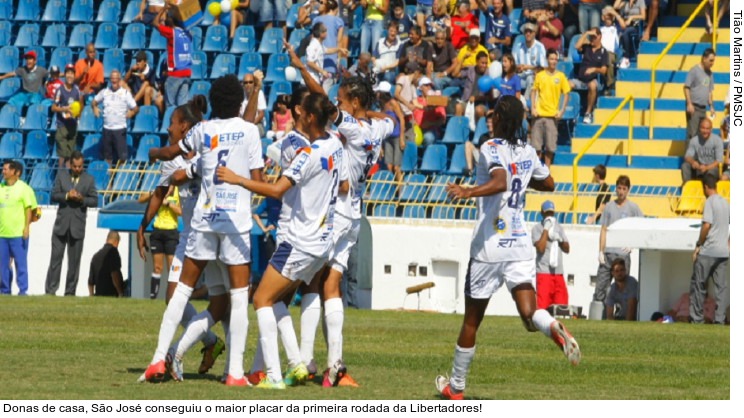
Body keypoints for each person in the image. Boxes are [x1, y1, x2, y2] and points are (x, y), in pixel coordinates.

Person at [436, 95, 580, 400]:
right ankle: (552, 325)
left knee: (472, 321)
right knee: (530, 316)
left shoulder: (489, 147)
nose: (490, 117)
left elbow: (501, 181)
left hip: (489, 247)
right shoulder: (527, 151)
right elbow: (550, 183)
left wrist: (468, 190)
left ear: (501, 118)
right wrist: (524, 177)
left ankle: (456, 387)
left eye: (494, 114)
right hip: (519, 245)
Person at [216, 92, 347, 389]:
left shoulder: (307, 154)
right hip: (321, 242)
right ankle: (296, 363)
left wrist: (237, 179)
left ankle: (273, 376)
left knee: (261, 299)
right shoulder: (336, 144)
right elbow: (343, 183)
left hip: (299, 240)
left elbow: (276, 191)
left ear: (309, 117)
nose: (295, 115)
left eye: (300, 113)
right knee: (275, 300)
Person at [143, 75, 264, 386]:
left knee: (182, 291)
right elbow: (259, 180)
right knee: (238, 299)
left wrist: (154, 154)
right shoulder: (250, 131)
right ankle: (234, 373)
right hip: (234, 223)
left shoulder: (202, 129)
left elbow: (172, 155)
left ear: (212, 101)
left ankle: (158, 359)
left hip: (203, 221)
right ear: (238, 102)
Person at [291, 43, 394, 387]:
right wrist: (378, 115)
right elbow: (392, 120)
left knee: (309, 282)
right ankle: (334, 365)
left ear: (352, 104)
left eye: (341, 99)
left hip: (333, 214)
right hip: (354, 216)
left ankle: (304, 359)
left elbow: (319, 98)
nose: (336, 102)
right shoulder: (379, 128)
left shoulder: (351, 127)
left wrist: (302, 68)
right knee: (331, 285)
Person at [136, 94, 225, 381]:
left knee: (225, 301)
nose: (168, 129)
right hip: (189, 235)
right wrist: (142, 226)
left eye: (172, 124)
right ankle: (208, 343)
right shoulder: (171, 161)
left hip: (215, 231)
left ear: (185, 127)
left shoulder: (207, 151)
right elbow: (159, 193)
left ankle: (228, 363)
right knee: (172, 296)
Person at [44, 151, 98, 296]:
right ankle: (50, 291)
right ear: (70, 164)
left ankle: (70, 292)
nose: (77, 169)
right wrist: (67, 195)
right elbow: (54, 195)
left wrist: (82, 199)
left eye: (80, 166)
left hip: (78, 227)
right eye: (75, 166)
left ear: (83, 164)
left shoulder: (89, 179)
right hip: (61, 226)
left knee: (74, 263)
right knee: (55, 260)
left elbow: (94, 200)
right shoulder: (61, 176)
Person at [594, 175, 643, 307]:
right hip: (608, 254)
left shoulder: (633, 208)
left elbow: (642, 226)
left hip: (622, 254)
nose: (621, 191)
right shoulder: (609, 207)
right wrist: (601, 251)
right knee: (600, 288)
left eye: (624, 188)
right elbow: (604, 229)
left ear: (628, 190)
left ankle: (622, 314)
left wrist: (633, 244)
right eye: (619, 188)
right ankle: (601, 314)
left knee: (624, 288)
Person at [690, 173, 729, 324]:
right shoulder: (726, 202)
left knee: (699, 284)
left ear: (705, 187)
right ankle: (719, 320)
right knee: (721, 288)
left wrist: (699, 244)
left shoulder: (710, 202)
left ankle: (697, 319)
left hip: (708, 251)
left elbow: (707, 225)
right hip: (723, 252)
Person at [0, 160, 37, 295]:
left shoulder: (24, 189)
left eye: (6, 169)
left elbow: (29, 209)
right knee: (2, 265)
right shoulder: (1, 187)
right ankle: (4, 290)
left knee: (20, 264)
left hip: (18, 234)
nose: (3, 172)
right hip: (2, 234)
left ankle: (23, 290)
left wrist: (26, 227)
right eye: (3, 169)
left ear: (15, 172)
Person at [138, 185, 181, 299]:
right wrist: (154, 194)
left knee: (171, 268)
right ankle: (153, 297)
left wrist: (168, 204)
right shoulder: (160, 189)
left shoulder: (179, 191)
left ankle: (172, 298)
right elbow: (140, 199)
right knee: (157, 267)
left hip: (171, 232)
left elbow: (180, 211)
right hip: (157, 231)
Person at [530, 48, 571, 166]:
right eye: (551, 59)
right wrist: (533, 107)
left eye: (555, 59)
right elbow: (534, 91)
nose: (553, 61)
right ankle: (537, 171)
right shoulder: (540, 75)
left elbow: (566, 94)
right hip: (539, 115)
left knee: (550, 147)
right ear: (547, 59)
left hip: (552, 116)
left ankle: (546, 171)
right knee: (536, 147)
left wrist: (562, 111)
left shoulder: (561, 76)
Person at [92, 70, 139, 165]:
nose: (114, 81)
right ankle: (108, 178)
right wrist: (95, 108)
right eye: (112, 78)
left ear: (119, 80)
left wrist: (131, 113)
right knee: (107, 157)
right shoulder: (104, 92)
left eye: (116, 79)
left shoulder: (125, 93)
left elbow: (136, 108)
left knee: (122, 158)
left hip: (120, 129)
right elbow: (94, 102)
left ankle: (120, 177)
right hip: (107, 129)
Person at [532, 200, 570, 310]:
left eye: (551, 213)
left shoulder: (559, 227)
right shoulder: (537, 228)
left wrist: (560, 239)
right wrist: (546, 229)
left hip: (558, 273)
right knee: (543, 307)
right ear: (542, 213)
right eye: (547, 213)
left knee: (562, 307)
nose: (549, 216)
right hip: (544, 273)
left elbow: (567, 249)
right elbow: (540, 248)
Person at [153, 5, 193, 108]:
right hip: (186, 73)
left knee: (171, 107)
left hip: (175, 73)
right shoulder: (188, 33)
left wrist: (163, 8)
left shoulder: (171, 32)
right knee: (182, 107)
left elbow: (155, 23)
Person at [571, 27, 608, 124]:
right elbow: (577, 46)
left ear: (599, 37)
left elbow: (604, 70)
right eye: (591, 37)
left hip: (593, 79)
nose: (592, 39)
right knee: (566, 84)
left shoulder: (604, 52)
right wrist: (586, 33)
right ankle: (570, 112)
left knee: (592, 85)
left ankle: (588, 113)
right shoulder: (587, 47)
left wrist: (594, 69)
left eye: (594, 37)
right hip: (580, 79)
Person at [51, 65, 83, 169]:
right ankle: (60, 177)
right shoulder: (60, 90)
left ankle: (68, 178)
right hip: (62, 126)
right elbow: (53, 107)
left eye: (72, 73)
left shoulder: (77, 90)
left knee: (70, 155)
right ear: (65, 75)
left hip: (72, 125)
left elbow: (79, 106)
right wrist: (64, 109)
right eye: (68, 73)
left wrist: (77, 114)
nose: (70, 76)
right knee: (62, 155)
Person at [684, 48, 716, 142]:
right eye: (710, 60)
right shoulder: (694, 70)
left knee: (701, 136)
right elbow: (686, 87)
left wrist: (711, 106)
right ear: (704, 58)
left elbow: (709, 92)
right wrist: (689, 104)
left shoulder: (710, 74)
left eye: (713, 61)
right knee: (692, 135)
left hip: (703, 109)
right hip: (694, 107)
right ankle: (689, 156)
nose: (712, 63)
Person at [313, 0, 347, 83]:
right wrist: (338, 58)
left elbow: (313, 39)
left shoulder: (316, 19)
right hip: (331, 60)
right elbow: (339, 41)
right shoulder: (338, 21)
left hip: (317, 59)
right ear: (336, 9)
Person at [681, 118, 723, 184]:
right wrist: (693, 162)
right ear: (699, 128)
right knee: (685, 166)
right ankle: (688, 186)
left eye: (707, 129)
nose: (705, 131)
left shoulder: (717, 140)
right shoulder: (694, 140)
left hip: (712, 167)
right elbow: (687, 156)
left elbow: (718, 160)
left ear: (711, 129)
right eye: (703, 128)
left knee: (711, 173)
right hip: (699, 167)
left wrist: (706, 168)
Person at [514, 22, 547, 100]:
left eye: (530, 32)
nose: (528, 34)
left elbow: (544, 67)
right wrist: (518, 67)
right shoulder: (518, 46)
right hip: (520, 75)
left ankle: (525, 102)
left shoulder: (540, 47)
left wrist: (529, 67)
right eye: (526, 32)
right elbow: (513, 65)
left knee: (530, 79)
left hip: (533, 75)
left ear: (534, 33)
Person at [87, 231, 124, 297]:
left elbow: (90, 281)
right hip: (111, 294)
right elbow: (114, 274)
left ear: (106, 240)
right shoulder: (113, 252)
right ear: (116, 242)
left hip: (98, 294)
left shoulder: (95, 256)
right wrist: (120, 293)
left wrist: (91, 295)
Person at [612, 0, 646, 69]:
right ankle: (615, 57)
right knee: (615, 31)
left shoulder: (640, 1)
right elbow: (615, 7)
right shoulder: (625, 2)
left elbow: (643, 16)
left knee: (625, 32)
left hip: (635, 25)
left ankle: (626, 57)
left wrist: (632, 17)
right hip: (624, 24)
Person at [414, 77, 446, 146]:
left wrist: (430, 123)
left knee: (428, 137)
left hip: (430, 129)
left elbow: (442, 120)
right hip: (416, 129)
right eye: (426, 85)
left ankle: (427, 156)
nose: (429, 87)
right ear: (420, 87)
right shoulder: (416, 100)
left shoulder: (436, 100)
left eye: (430, 85)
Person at [240, 71, 268, 137]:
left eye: (250, 82)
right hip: (242, 125)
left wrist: (251, 125)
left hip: (257, 124)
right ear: (242, 85)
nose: (248, 84)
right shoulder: (239, 95)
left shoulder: (259, 93)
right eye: (246, 83)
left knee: (252, 133)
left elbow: (261, 114)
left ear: (254, 83)